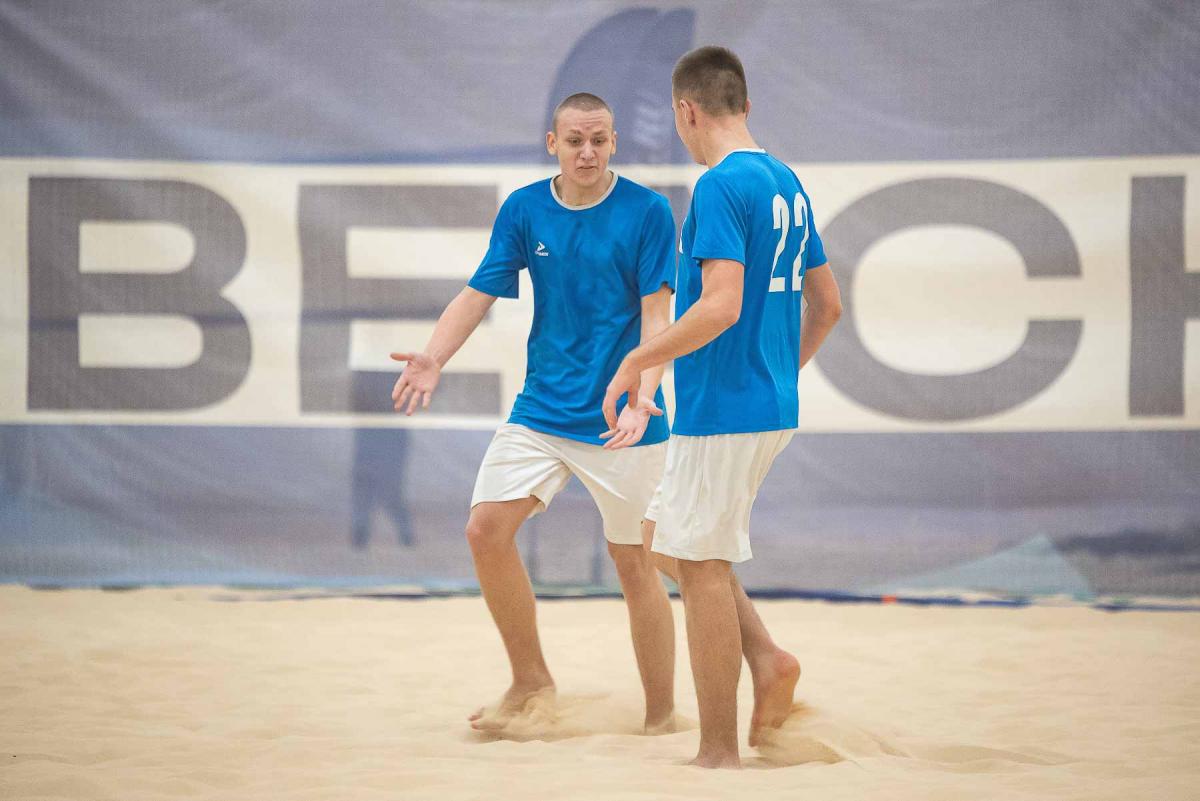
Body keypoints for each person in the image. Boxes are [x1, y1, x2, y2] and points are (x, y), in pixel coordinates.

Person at [391, 93, 680, 734]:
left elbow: (659, 316)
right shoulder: (525, 209)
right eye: (575, 140)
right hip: (542, 410)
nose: (588, 152)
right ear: (553, 144)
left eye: (599, 140)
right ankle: (530, 680)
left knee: (636, 564)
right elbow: (478, 293)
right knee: (484, 530)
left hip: (624, 417)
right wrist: (435, 356)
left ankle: (661, 717)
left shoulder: (648, 211)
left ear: (614, 143)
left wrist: (644, 395)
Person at [602, 46, 843, 768]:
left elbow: (720, 305)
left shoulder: (718, 185)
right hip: (762, 402)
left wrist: (638, 360)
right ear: (745, 104)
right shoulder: (785, 180)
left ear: (686, 111)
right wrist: (778, 376)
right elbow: (828, 305)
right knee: (661, 539)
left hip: (725, 409)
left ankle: (717, 751)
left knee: (701, 564)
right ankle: (767, 658)